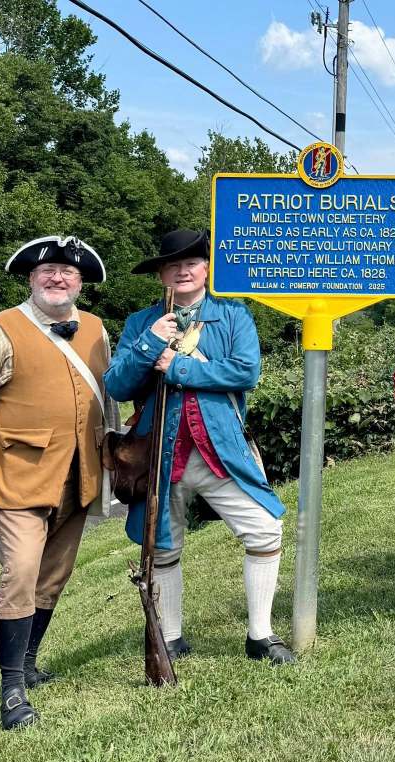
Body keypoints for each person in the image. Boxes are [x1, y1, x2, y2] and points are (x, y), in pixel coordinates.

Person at [0, 235, 114, 729]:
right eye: (48, 272)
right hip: (18, 476)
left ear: (80, 282)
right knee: (19, 575)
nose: (57, 278)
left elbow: (108, 398)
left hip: (79, 474)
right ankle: (12, 689)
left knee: (53, 578)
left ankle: (31, 662)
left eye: (68, 272)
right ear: (31, 279)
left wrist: (114, 459)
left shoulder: (98, 330)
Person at [104, 229, 293, 664]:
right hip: (159, 456)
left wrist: (179, 366)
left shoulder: (232, 315)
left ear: (207, 268)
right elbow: (117, 384)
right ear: (161, 276)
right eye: (173, 265)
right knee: (163, 545)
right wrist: (151, 342)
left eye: (192, 261)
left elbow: (246, 372)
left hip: (219, 452)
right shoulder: (141, 322)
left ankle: (260, 636)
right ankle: (168, 638)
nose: (183, 269)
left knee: (265, 529)